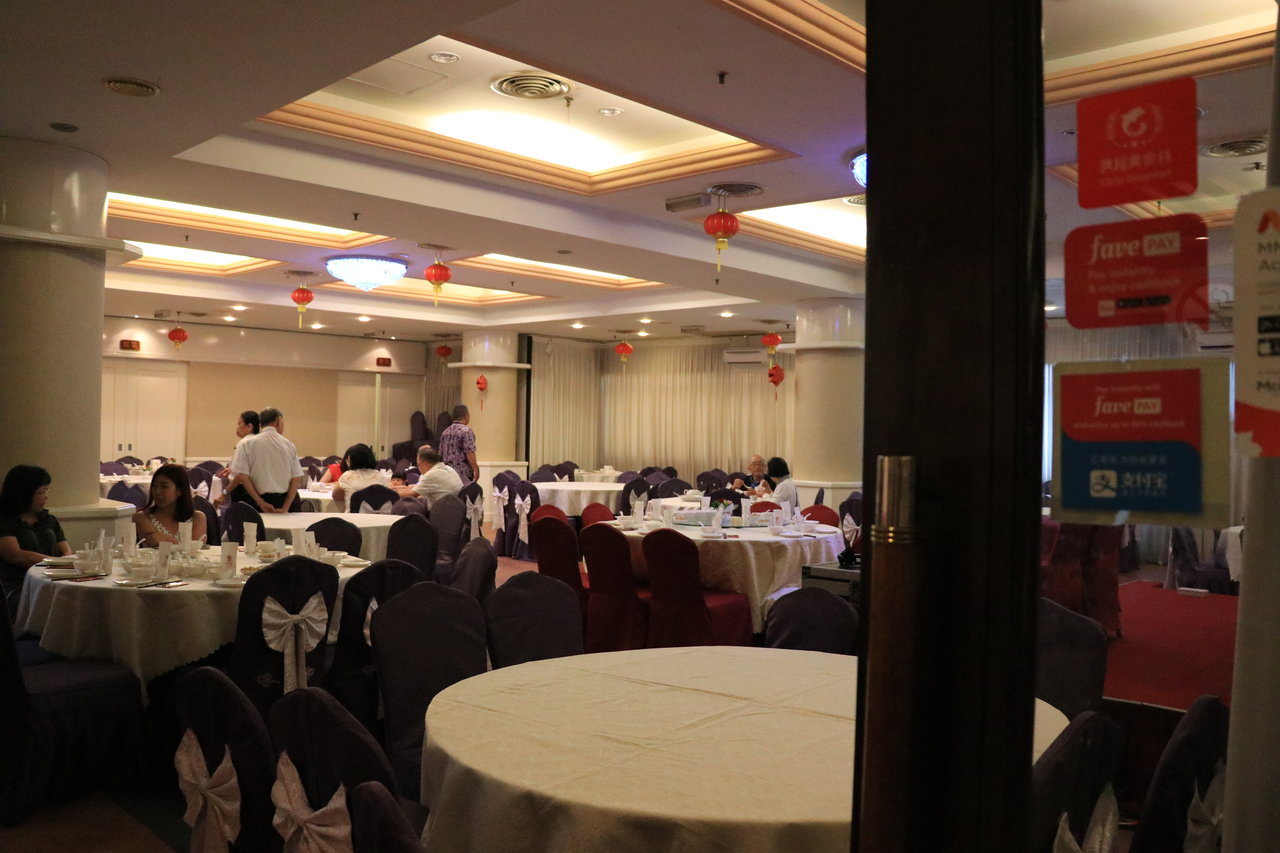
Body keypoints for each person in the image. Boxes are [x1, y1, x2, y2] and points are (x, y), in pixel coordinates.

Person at [0, 465, 72, 617]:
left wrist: (65, 563)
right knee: (60, 603)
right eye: (41, 492)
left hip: (51, 580)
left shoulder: (48, 519)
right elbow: (15, 555)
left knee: (77, 599)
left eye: (47, 491)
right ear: (23, 493)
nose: (45, 497)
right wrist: (57, 563)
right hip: (18, 585)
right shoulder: (5, 520)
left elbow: (66, 550)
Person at [228, 406, 303, 513]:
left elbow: (242, 476)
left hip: (254, 503)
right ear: (278, 421)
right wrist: (286, 507)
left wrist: (260, 502)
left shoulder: (247, 443)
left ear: (260, 423)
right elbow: (296, 478)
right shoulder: (289, 445)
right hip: (283, 501)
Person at [134, 464, 208, 548]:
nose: (157, 492)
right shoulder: (143, 517)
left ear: (180, 490)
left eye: (164, 487)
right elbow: (154, 541)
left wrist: (166, 539)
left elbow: (194, 550)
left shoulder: (197, 518)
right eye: (154, 486)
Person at [215, 410, 261, 507]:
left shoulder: (244, 443)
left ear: (249, 426)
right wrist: (232, 470)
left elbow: (240, 475)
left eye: (239, 423)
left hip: (242, 491)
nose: (237, 427)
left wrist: (223, 494)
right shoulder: (260, 443)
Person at [397, 445, 462, 509]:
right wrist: (398, 488)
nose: (418, 468)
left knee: (406, 506)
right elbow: (418, 486)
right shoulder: (448, 468)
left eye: (418, 464)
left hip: (441, 512)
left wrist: (393, 494)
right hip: (455, 509)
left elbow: (412, 494)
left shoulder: (431, 475)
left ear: (425, 463)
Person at [331, 443, 384, 511]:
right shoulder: (380, 476)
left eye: (348, 459)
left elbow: (335, 496)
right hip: (378, 516)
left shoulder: (348, 476)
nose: (346, 461)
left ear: (352, 460)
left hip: (354, 516)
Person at [439, 404, 479, 483]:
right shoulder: (466, 431)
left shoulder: (445, 432)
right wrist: (475, 469)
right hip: (462, 474)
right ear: (466, 416)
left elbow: (441, 454)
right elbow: (469, 452)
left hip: (447, 474)